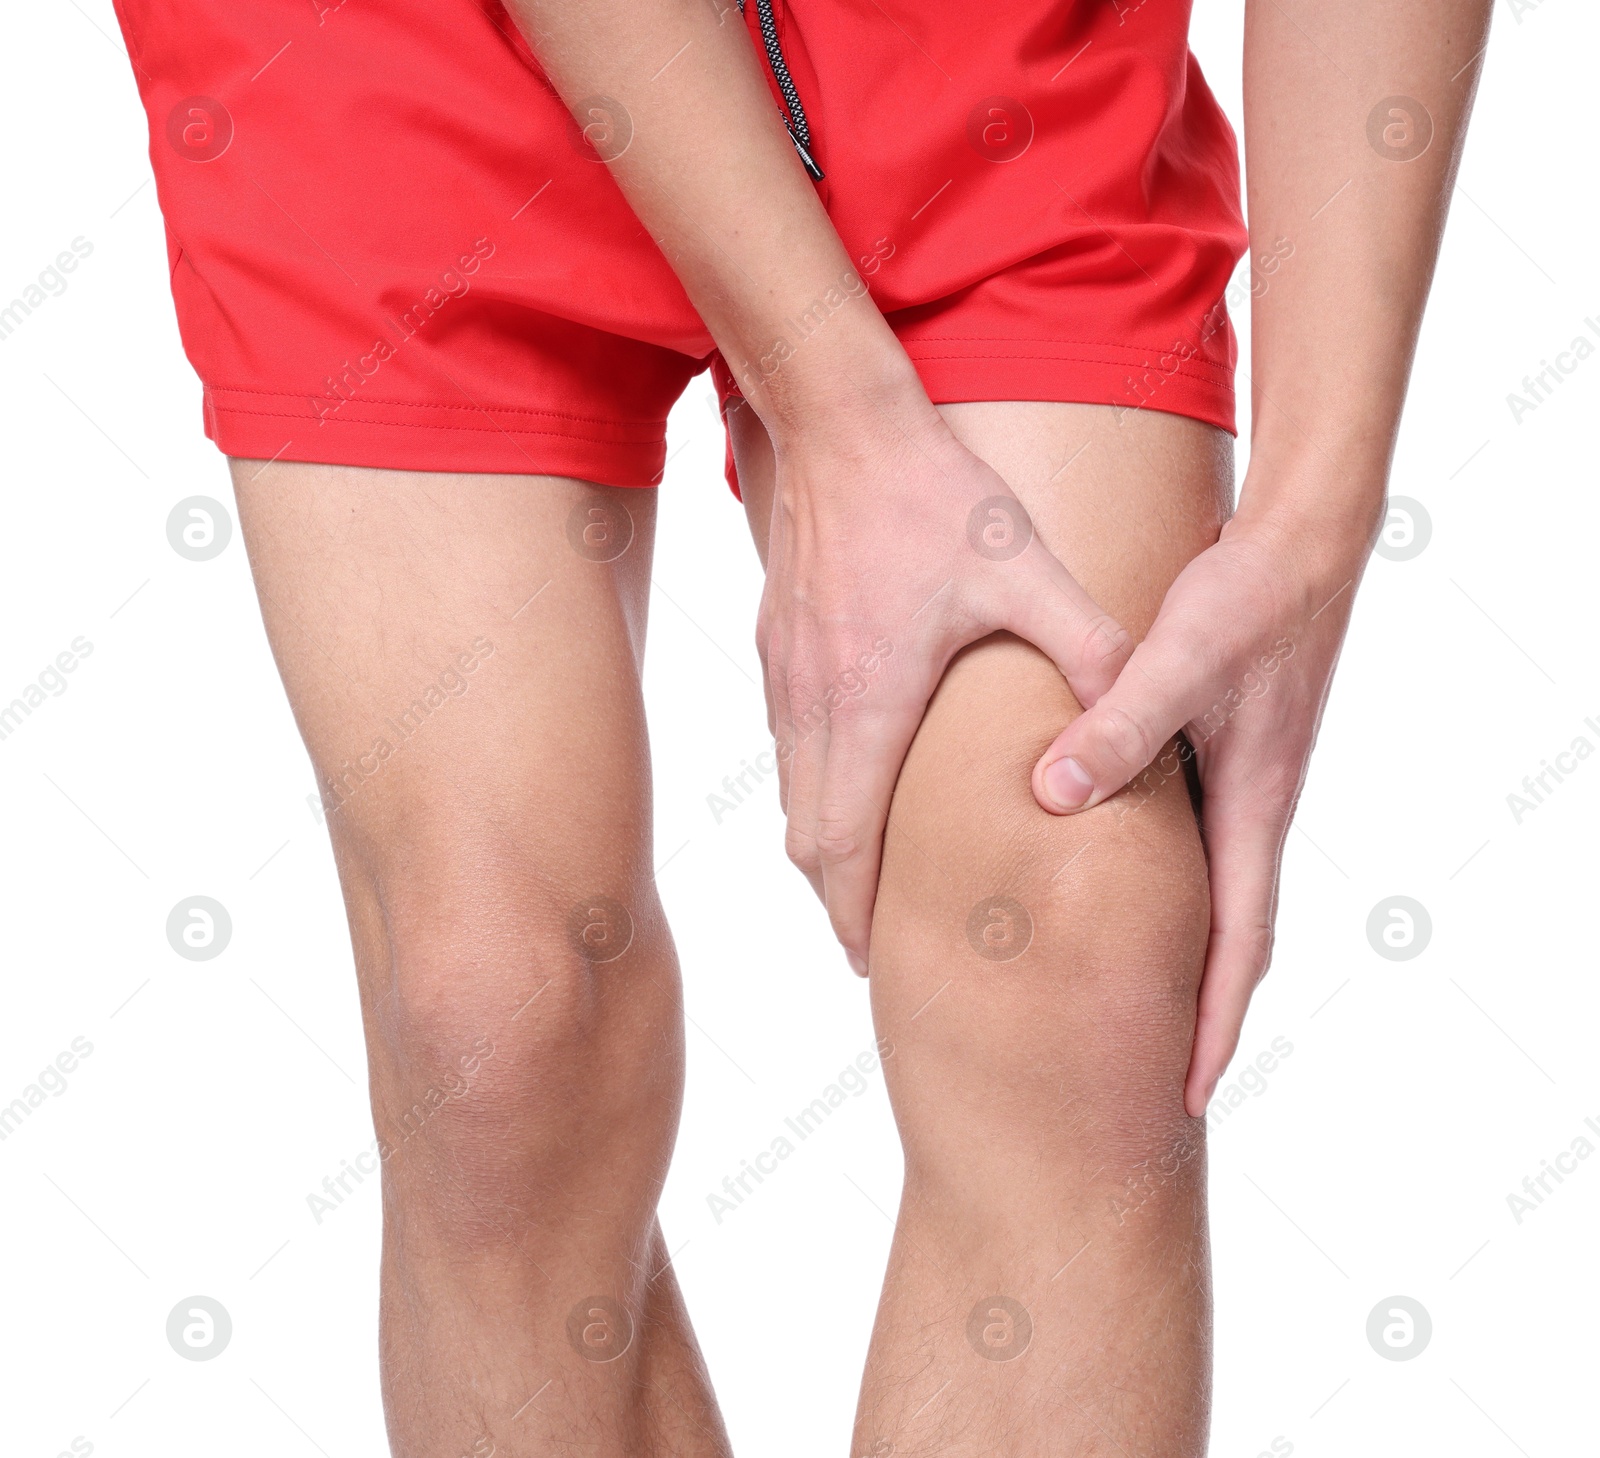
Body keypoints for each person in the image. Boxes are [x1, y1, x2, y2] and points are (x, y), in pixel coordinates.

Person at [112, 0, 1490, 1449]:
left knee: (1080, 946)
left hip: (972, 44)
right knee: (496, 1023)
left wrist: (1316, 521)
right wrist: (833, 403)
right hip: (386, 50)